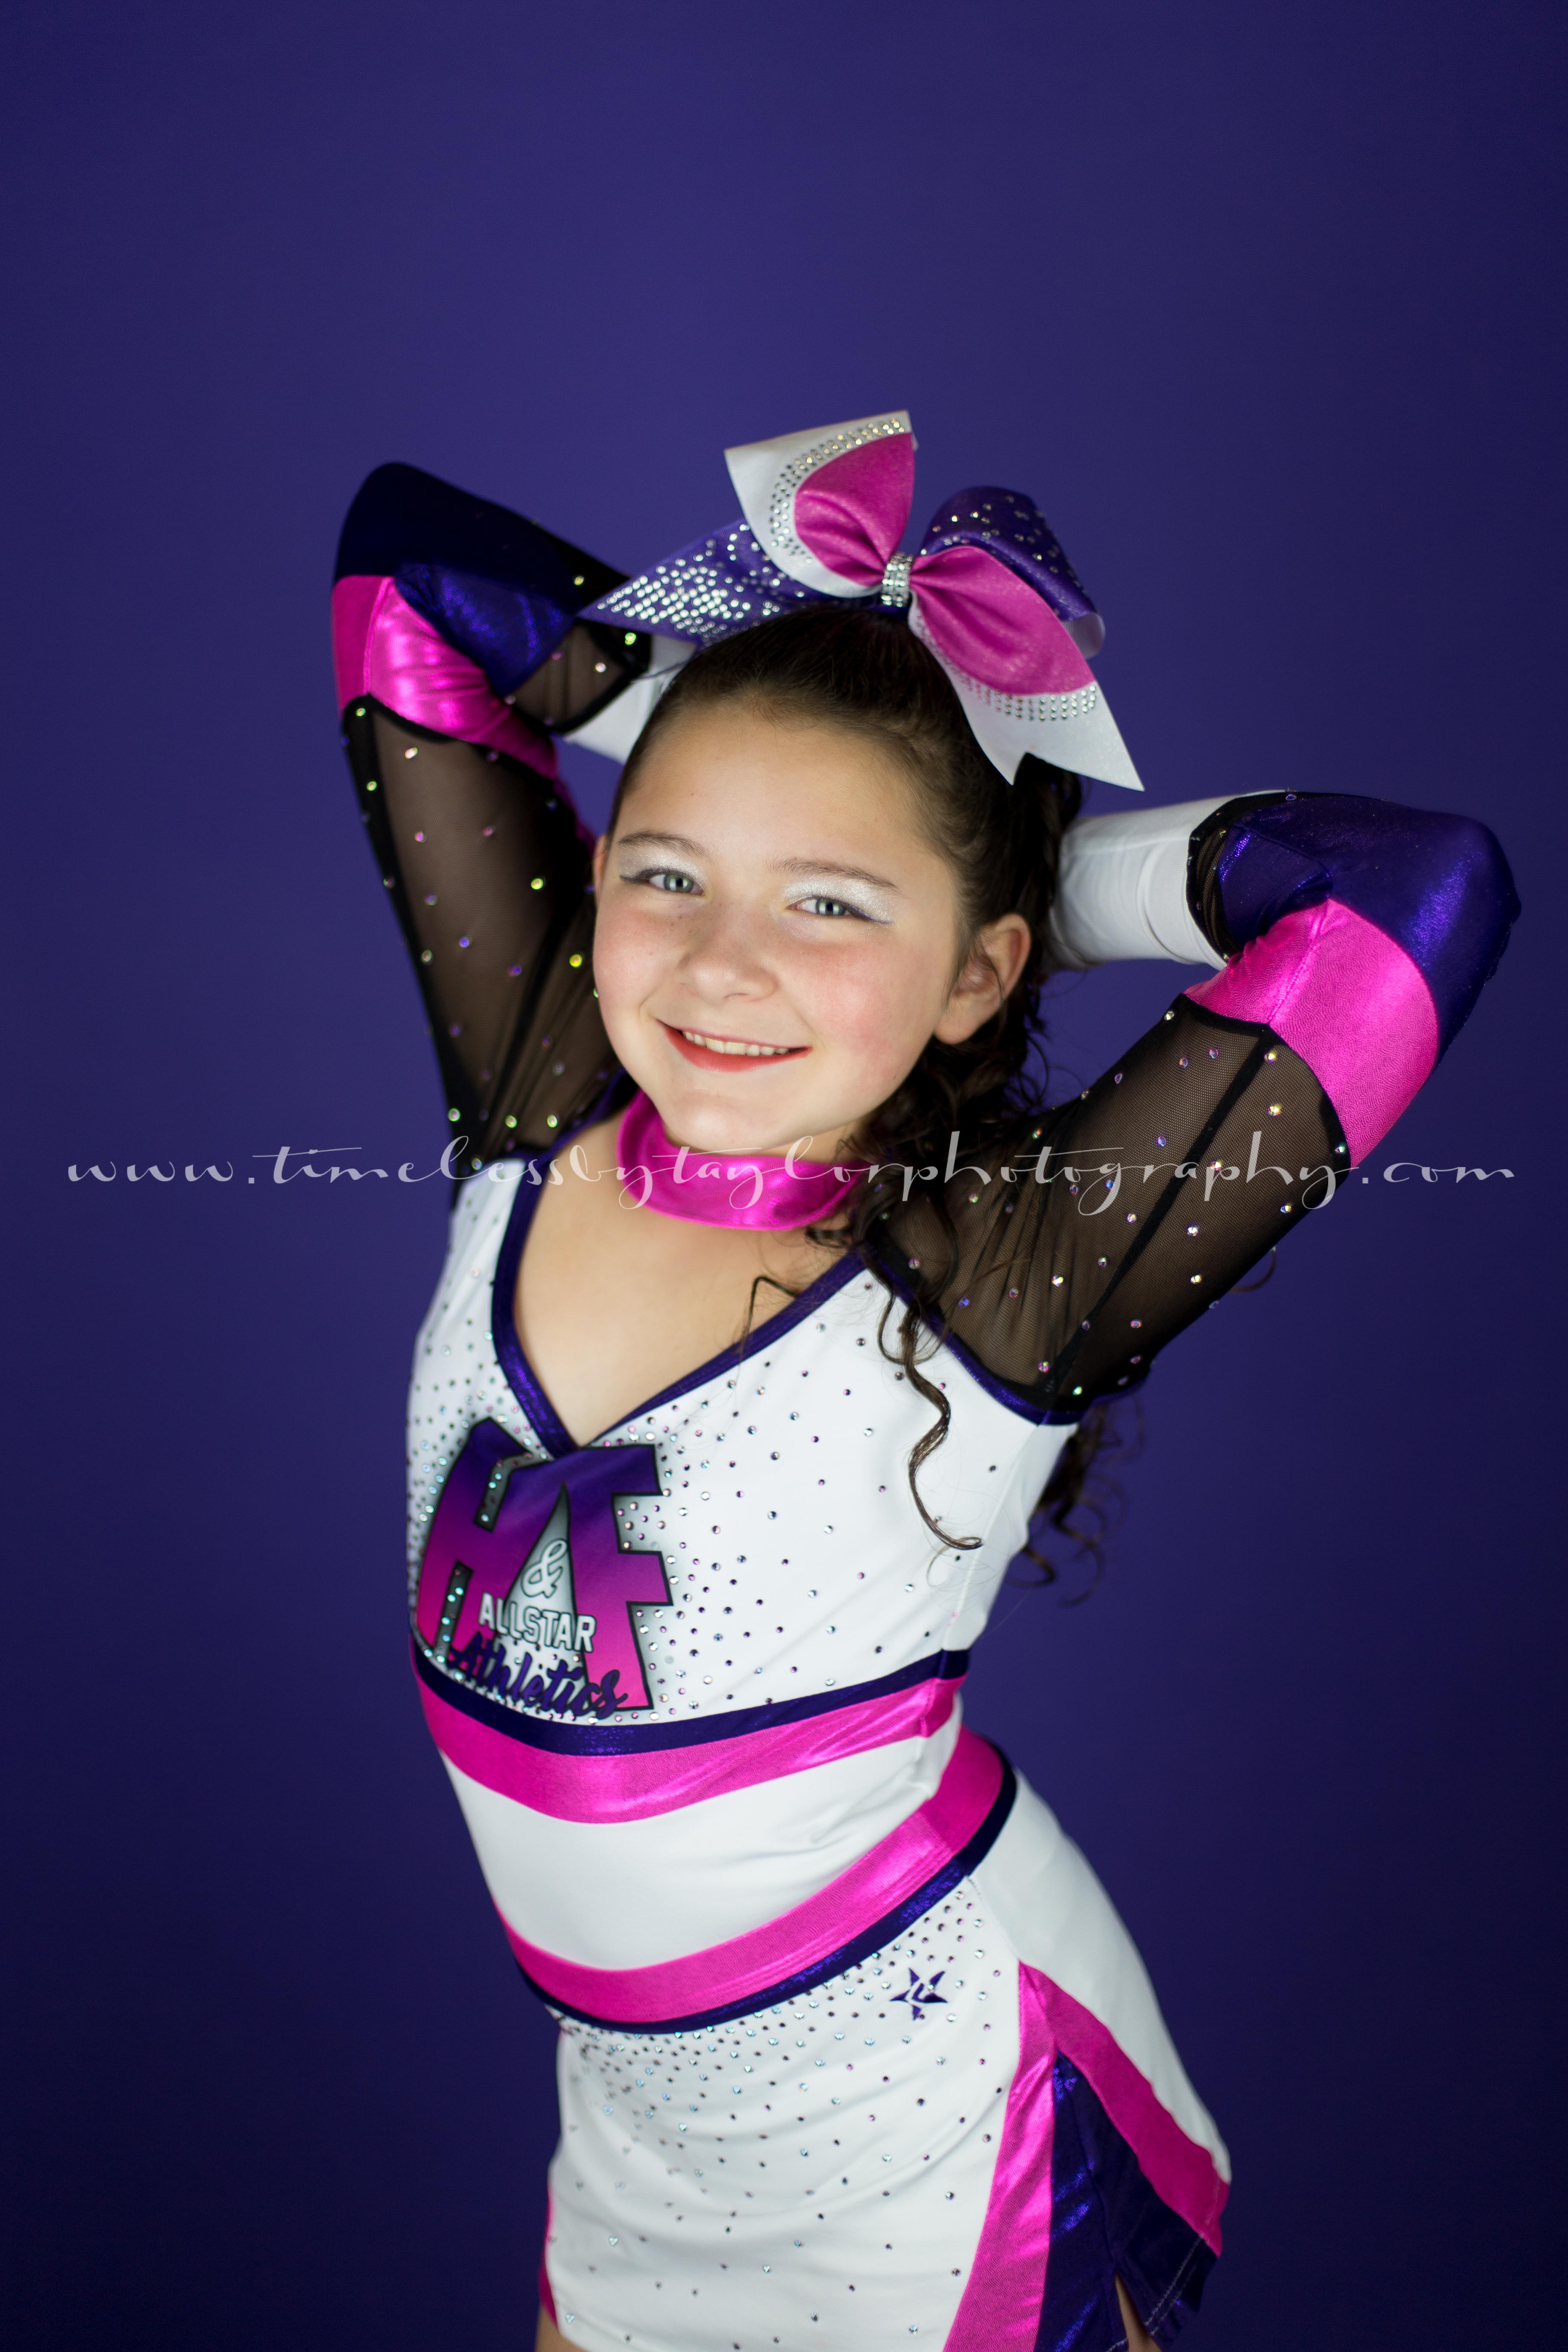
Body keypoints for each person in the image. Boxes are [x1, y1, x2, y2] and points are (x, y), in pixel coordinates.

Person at [330, 414, 1516, 2352]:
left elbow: (1410, 895)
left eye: (830, 905)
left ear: (980, 974)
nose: (723, 964)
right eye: (670, 873)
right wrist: (707, 696)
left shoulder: (1002, 1268)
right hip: (637, 2121)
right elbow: (404, 576)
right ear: (597, 873)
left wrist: (1021, 860)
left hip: (924, 2113)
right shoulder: (544, 1095)